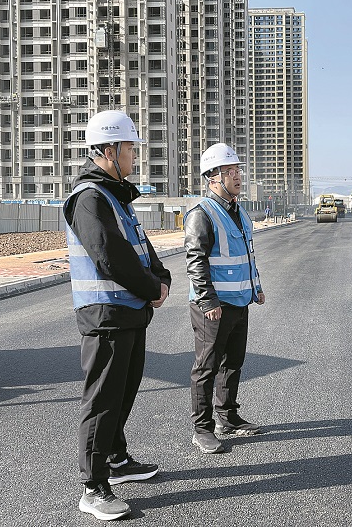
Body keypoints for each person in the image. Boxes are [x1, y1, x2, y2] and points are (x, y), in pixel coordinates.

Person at [64, 110, 172, 520]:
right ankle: (93, 487)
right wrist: (151, 288)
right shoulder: (90, 198)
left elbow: (141, 248)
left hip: (128, 313)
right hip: (105, 316)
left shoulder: (116, 197)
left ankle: (116, 460)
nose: (134, 156)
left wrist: (161, 280)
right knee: (103, 401)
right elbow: (110, 257)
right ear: (110, 151)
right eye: (130, 148)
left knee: (123, 394)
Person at [184, 143, 266, 454]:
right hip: (213, 306)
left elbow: (248, 254)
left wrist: (256, 287)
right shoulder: (201, 214)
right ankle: (202, 428)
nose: (237, 176)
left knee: (233, 363)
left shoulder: (239, 212)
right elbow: (196, 261)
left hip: (239, 301)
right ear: (212, 178)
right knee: (206, 366)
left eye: (238, 170)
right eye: (230, 171)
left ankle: (228, 417)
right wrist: (208, 301)